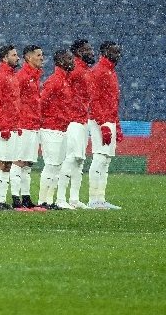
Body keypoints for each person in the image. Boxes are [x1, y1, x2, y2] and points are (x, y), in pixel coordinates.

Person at [87, 41, 124, 210]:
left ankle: (101, 198)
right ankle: (93, 199)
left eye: (118, 51)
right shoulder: (99, 71)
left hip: (110, 119)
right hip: (99, 120)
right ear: (104, 52)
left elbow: (113, 102)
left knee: (106, 160)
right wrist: (102, 124)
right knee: (100, 157)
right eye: (113, 51)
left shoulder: (111, 71)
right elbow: (94, 101)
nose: (117, 54)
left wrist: (117, 125)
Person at [59, 39, 94, 209]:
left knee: (79, 160)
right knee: (71, 158)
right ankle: (60, 198)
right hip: (73, 120)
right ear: (79, 52)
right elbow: (63, 91)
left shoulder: (86, 71)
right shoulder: (75, 71)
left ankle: (74, 198)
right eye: (87, 50)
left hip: (83, 120)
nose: (92, 52)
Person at [40, 49, 78, 209]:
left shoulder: (65, 81)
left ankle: (50, 200)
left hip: (61, 128)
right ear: (61, 61)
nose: (73, 61)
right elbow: (42, 102)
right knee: (51, 165)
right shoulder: (54, 80)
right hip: (51, 128)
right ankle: (43, 201)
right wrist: (47, 120)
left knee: (57, 165)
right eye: (69, 59)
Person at [0, 44, 21, 211]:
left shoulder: (12, 76)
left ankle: (1, 199)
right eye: (14, 55)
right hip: (3, 127)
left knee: (8, 163)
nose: (17, 58)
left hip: (13, 126)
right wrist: (2, 125)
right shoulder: (0, 76)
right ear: (5, 58)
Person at [17, 45, 49, 211]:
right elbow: (15, 101)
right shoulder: (22, 76)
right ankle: (16, 199)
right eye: (38, 55)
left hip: (33, 124)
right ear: (29, 58)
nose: (41, 58)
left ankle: (26, 198)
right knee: (19, 162)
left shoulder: (35, 77)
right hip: (23, 124)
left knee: (28, 163)